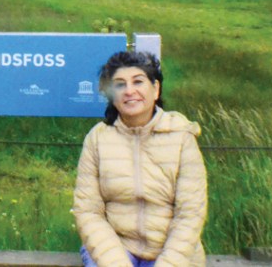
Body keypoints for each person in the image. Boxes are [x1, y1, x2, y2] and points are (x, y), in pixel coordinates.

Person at [72, 51, 207, 267]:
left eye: (138, 82)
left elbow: (190, 214)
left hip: (172, 253)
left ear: (155, 89)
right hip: (115, 250)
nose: (129, 91)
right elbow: (88, 211)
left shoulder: (182, 137)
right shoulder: (97, 138)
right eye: (120, 84)